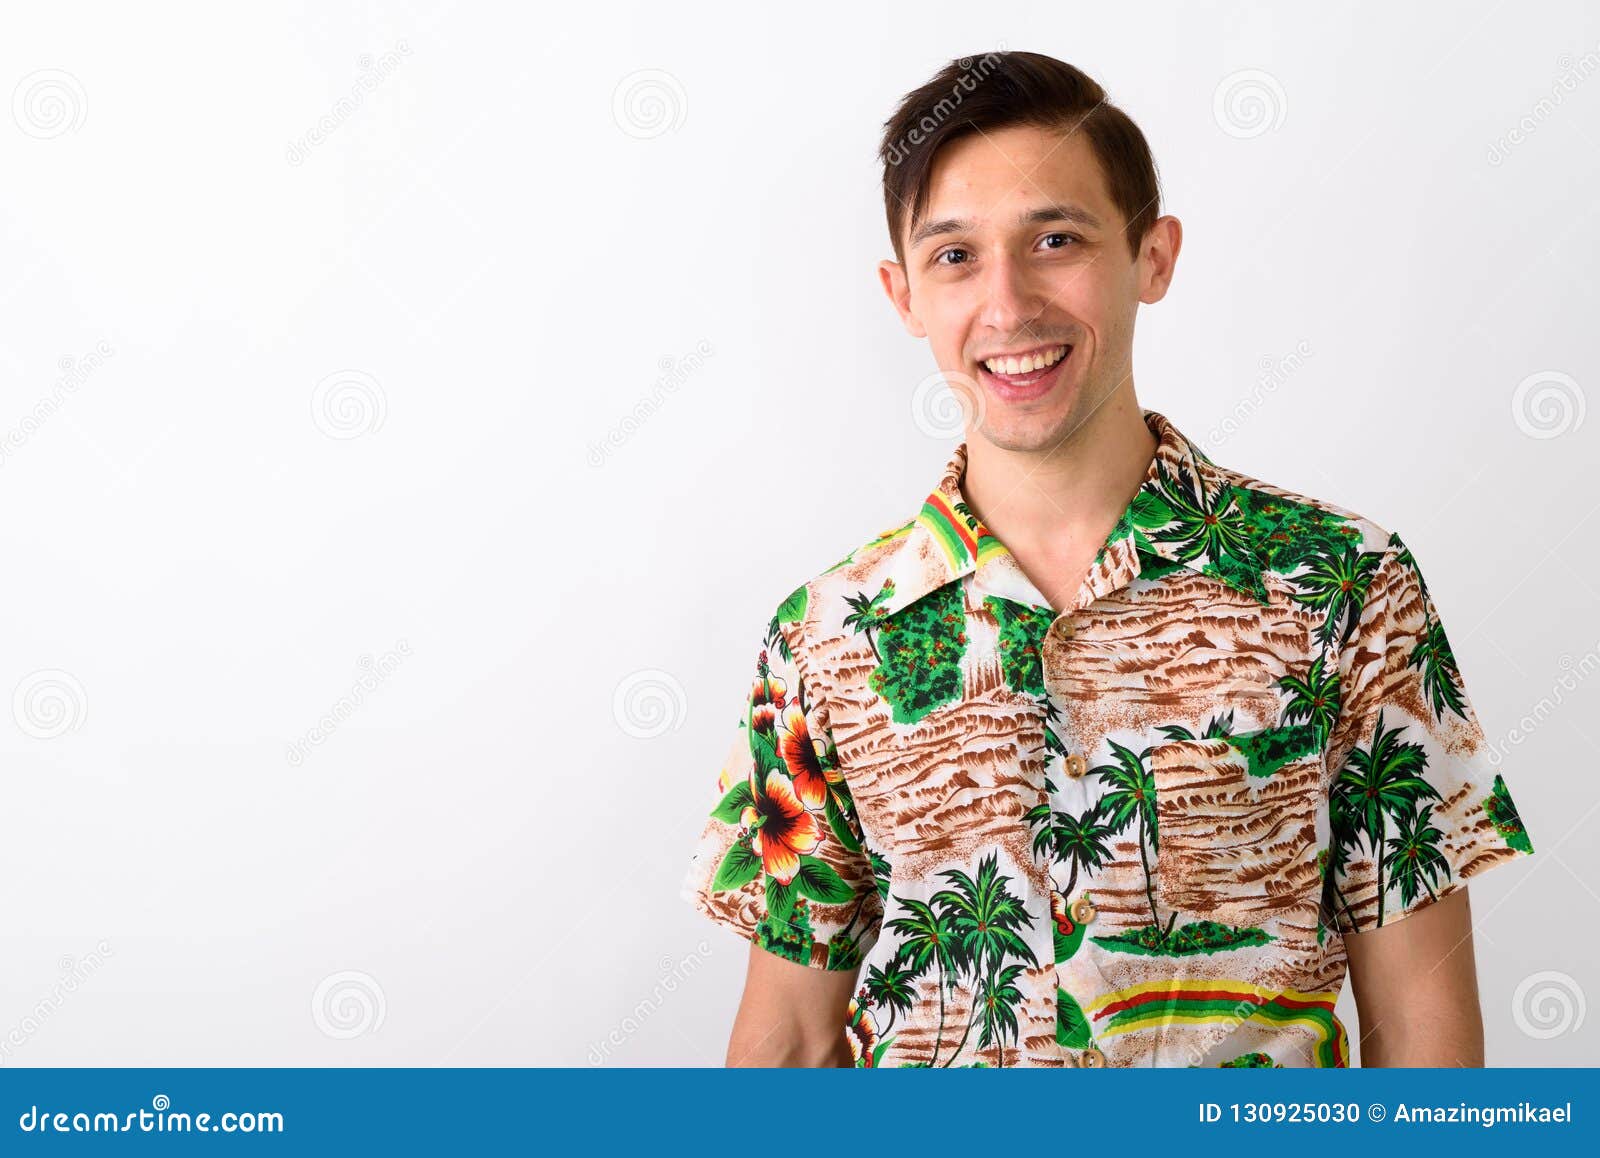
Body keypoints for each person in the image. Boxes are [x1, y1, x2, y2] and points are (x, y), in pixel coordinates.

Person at [679, 50, 1535, 1068]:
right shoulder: (824, 637)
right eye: (954, 255)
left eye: (1055, 239)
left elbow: (1424, 1030)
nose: (1006, 305)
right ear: (903, 293)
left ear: (1153, 256)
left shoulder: (1343, 582)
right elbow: (787, 1035)